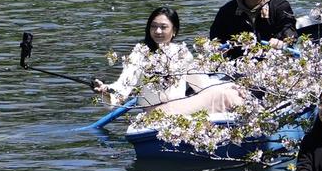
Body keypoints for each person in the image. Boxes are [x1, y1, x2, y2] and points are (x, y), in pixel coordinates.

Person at [92, 6, 245, 115]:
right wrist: (105, 91)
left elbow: (201, 85)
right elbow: (122, 88)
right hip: (156, 113)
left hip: (181, 107)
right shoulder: (140, 53)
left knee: (229, 91)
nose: (158, 31)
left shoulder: (181, 52)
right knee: (225, 96)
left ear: (174, 31)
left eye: (163, 27)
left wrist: (230, 86)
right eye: (154, 27)